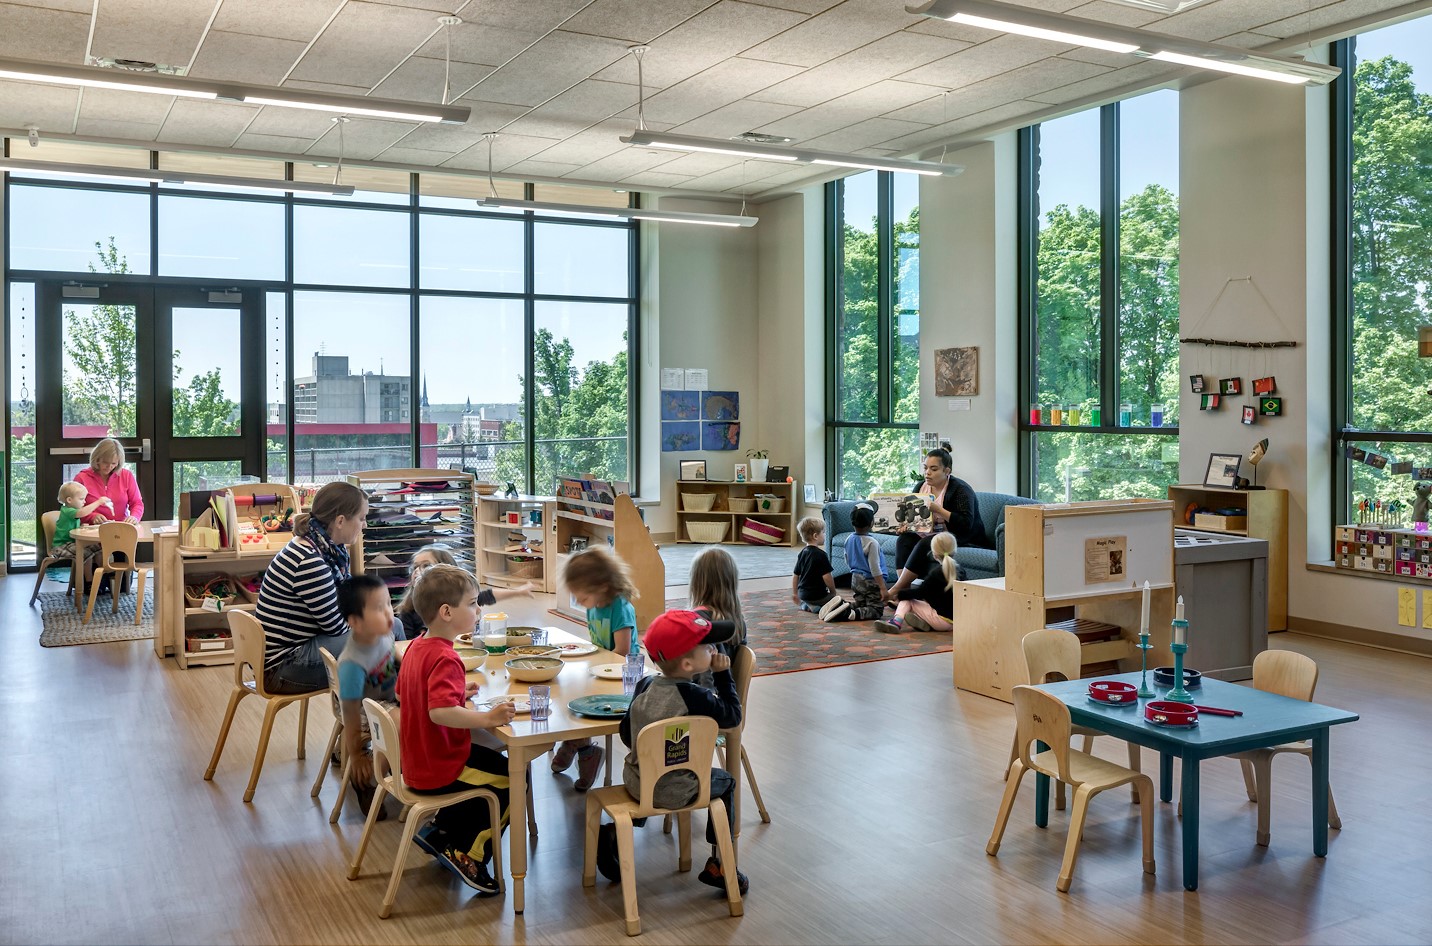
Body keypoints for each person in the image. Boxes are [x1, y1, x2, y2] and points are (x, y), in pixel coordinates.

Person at [594, 609, 748, 895]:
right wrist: (724, 674)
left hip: (637, 783)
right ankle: (719, 863)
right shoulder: (697, 696)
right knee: (726, 782)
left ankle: (615, 832)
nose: (714, 649)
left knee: (656, 777)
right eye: (708, 646)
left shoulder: (644, 684)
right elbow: (733, 717)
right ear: (689, 664)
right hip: (679, 789)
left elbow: (627, 732)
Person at [396, 564, 515, 896]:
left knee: (492, 769)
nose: (479, 610)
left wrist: (456, 695)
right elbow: (439, 713)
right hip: (441, 765)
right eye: (474, 603)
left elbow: (405, 695)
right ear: (447, 612)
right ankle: (470, 855)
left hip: (417, 761)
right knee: (513, 779)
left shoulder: (416, 646)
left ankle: (442, 832)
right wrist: (488, 719)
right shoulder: (447, 658)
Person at [255, 481, 368, 694]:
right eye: (361, 519)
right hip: (282, 668)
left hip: (286, 656)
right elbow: (336, 627)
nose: (365, 525)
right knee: (384, 636)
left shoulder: (320, 547)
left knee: (388, 629)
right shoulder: (310, 561)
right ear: (341, 521)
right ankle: (378, 716)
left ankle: (378, 713)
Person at [552, 546, 638, 790]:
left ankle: (584, 749)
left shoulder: (619, 607)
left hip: (622, 676)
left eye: (581, 596)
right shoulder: (594, 605)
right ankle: (576, 743)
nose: (578, 602)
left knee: (580, 698)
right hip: (602, 670)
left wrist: (595, 668)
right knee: (566, 694)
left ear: (601, 586)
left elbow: (621, 651)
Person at [335, 573, 401, 819]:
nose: (388, 613)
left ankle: (402, 764)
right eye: (378, 608)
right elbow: (350, 717)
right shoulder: (352, 663)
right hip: (365, 709)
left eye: (388, 604)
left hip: (386, 697)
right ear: (357, 622)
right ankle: (367, 782)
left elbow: (394, 653)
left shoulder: (382, 633)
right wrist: (357, 755)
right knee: (402, 723)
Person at [887, 443, 988, 601]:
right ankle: (904, 591)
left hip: (961, 536)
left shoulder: (961, 490)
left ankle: (896, 590)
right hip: (930, 531)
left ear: (947, 471)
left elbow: (965, 524)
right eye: (925, 468)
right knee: (904, 540)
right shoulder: (921, 486)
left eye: (933, 469)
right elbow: (913, 517)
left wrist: (938, 510)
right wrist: (907, 526)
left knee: (928, 542)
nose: (927, 473)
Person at [394, 543, 532, 638]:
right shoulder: (408, 611)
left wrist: (518, 591)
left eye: (426, 566)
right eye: (415, 567)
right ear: (446, 611)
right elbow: (406, 645)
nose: (418, 571)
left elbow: (488, 595)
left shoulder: (462, 598)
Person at [877, 532, 959, 634]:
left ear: (934, 554)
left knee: (908, 600)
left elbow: (920, 592)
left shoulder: (935, 574)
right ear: (954, 550)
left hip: (941, 621)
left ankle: (896, 622)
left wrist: (900, 595)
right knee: (927, 602)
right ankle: (924, 623)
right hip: (957, 621)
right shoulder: (960, 571)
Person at [791, 516, 851, 621]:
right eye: (823, 532)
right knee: (841, 603)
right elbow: (827, 577)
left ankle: (806, 605)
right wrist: (833, 592)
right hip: (817, 595)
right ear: (815, 536)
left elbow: (796, 575)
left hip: (803, 594)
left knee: (813, 601)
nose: (824, 535)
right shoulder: (821, 555)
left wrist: (795, 593)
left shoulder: (802, 553)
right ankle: (819, 608)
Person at [74, 437, 143, 525]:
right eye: (105, 462)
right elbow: (73, 510)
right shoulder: (81, 478)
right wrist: (91, 516)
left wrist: (134, 517)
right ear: (97, 459)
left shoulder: (126, 476)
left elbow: (137, 503)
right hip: (92, 529)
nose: (109, 467)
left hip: (121, 528)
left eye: (114, 463)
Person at [844, 502, 888, 621]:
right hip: (870, 581)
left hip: (855, 578)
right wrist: (883, 587)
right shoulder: (872, 543)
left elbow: (847, 559)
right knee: (876, 609)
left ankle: (843, 607)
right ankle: (853, 614)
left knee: (861, 603)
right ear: (872, 522)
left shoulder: (849, 539)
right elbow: (874, 567)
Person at [51, 482, 109, 563]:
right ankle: (87, 576)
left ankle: (101, 573)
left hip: (72, 543)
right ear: (69, 500)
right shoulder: (68, 510)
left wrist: (80, 526)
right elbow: (82, 513)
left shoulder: (73, 511)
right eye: (81, 499)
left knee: (97, 548)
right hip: (62, 546)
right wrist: (98, 502)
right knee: (85, 553)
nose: (84, 502)